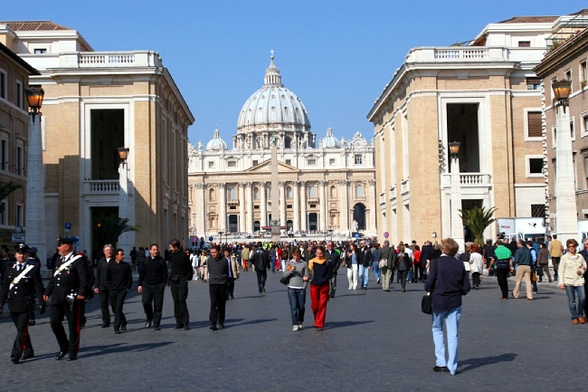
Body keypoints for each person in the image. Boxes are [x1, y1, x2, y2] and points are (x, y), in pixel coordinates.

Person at [424, 237, 471, 376]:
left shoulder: (435, 263)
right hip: (455, 302)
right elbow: (466, 286)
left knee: (437, 329)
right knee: (453, 334)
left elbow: (429, 283)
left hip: (438, 302)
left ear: (443, 249)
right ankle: (453, 366)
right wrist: (458, 292)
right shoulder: (459, 264)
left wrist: (428, 288)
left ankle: (441, 361)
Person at [43, 237, 89, 361]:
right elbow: (54, 277)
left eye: (60, 245)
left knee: (73, 325)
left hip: (71, 297)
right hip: (57, 297)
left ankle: (73, 351)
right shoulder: (58, 259)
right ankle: (64, 346)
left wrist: (81, 292)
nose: (58, 248)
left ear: (67, 246)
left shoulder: (79, 260)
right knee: (54, 322)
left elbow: (84, 277)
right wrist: (48, 291)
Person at [0, 244, 45, 364]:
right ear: (15, 255)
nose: (21, 255)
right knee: (22, 330)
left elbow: (39, 286)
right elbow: (4, 288)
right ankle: (29, 350)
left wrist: (42, 302)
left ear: (27, 255)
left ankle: (16, 354)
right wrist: (1, 303)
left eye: (23, 253)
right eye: (19, 253)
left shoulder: (33, 269)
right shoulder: (10, 269)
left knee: (21, 330)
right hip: (13, 304)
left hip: (26, 305)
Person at [138, 244, 167, 330]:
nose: (155, 251)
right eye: (153, 250)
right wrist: (139, 284)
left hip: (158, 285)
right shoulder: (146, 261)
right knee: (146, 302)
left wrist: (163, 284)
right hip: (147, 285)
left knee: (158, 305)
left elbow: (165, 273)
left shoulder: (161, 261)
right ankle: (149, 317)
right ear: (150, 251)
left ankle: (156, 323)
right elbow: (142, 273)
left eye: (157, 249)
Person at [559, 239, 587, 324]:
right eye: (569, 246)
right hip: (569, 281)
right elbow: (561, 270)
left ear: (575, 247)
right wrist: (561, 282)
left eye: (573, 246)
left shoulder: (579, 256)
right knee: (572, 300)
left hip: (579, 280)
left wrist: (581, 271)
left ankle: (580, 314)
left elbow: (585, 265)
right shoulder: (564, 258)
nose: (571, 248)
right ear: (567, 247)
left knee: (582, 298)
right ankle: (574, 316)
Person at [168, 239, 193, 330]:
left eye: (171, 246)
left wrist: (187, 278)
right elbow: (169, 268)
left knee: (181, 300)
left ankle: (185, 321)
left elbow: (189, 269)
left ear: (175, 247)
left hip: (182, 280)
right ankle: (178, 321)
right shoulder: (171, 256)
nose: (170, 248)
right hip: (174, 281)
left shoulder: (184, 256)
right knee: (176, 301)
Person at [107, 248, 133, 334]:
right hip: (113, 290)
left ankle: (116, 327)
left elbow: (129, 278)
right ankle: (123, 321)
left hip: (122, 290)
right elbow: (107, 278)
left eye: (123, 254)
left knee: (118, 308)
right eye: (121, 254)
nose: (123, 256)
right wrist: (109, 287)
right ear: (116, 255)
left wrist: (127, 288)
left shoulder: (126, 266)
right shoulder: (110, 265)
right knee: (115, 309)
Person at [283, 249, 309, 331]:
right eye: (295, 255)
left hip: (301, 288)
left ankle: (300, 320)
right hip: (291, 288)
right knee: (293, 307)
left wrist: (304, 286)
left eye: (298, 256)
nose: (296, 257)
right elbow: (284, 275)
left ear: (300, 255)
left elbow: (307, 276)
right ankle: (295, 324)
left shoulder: (304, 263)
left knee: (301, 307)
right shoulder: (290, 263)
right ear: (293, 255)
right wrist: (291, 270)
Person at [308, 246, 333, 331]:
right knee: (315, 305)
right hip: (314, 285)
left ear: (323, 253)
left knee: (322, 304)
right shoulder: (311, 262)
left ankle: (319, 324)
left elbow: (330, 274)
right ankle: (317, 319)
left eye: (320, 253)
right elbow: (309, 272)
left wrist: (324, 279)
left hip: (324, 286)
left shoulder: (327, 262)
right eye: (317, 253)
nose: (319, 255)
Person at [207, 245, 229, 330]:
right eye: (211, 253)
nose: (212, 254)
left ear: (219, 252)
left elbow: (226, 271)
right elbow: (210, 270)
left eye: (214, 252)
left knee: (221, 304)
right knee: (213, 303)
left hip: (222, 284)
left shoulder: (224, 260)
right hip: (213, 284)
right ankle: (213, 322)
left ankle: (221, 321)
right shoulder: (209, 260)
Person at [94, 244, 114, 328]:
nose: (109, 252)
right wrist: (96, 286)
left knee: (114, 305)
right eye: (107, 250)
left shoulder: (115, 261)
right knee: (103, 304)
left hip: (113, 286)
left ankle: (120, 320)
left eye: (110, 250)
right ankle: (106, 321)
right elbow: (98, 274)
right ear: (104, 252)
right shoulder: (101, 262)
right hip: (102, 286)